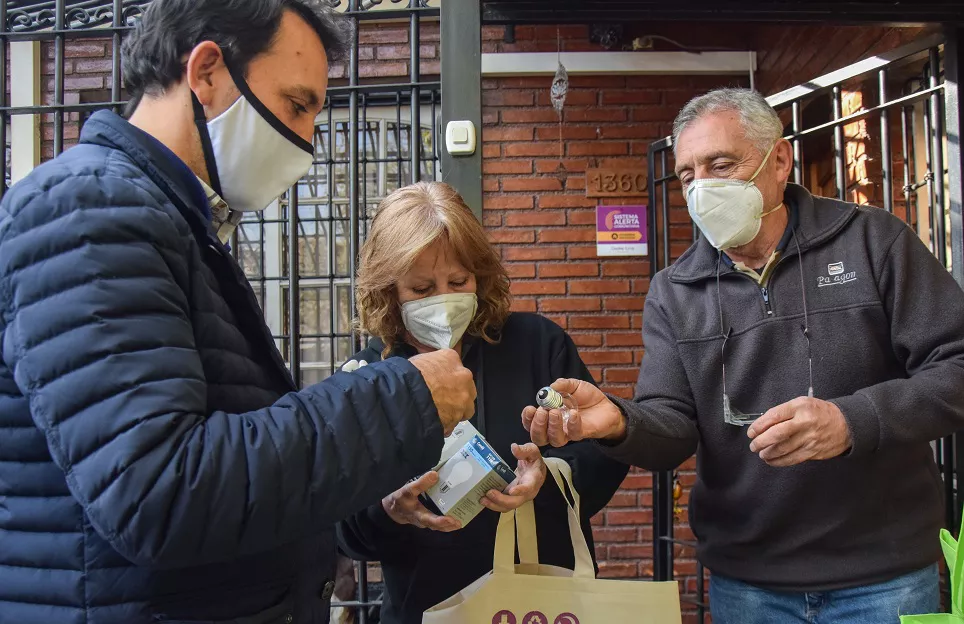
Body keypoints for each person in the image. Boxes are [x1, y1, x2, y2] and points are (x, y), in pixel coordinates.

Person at [0, 2, 477, 623]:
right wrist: (400, 400)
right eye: (296, 105)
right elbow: (159, 489)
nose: (307, 140)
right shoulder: (89, 211)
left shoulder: (170, 223)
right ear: (206, 71)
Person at [525, 88, 964, 623]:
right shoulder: (674, 290)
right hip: (749, 585)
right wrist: (619, 421)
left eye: (721, 165)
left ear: (779, 160)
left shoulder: (872, 241)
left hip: (882, 575)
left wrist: (852, 421)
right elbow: (673, 426)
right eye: (688, 175)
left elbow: (955, 366)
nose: (702, 188)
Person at [336, 182, 628, 624]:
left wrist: (549, 475)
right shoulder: (366, 375)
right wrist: (389, 510)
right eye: (421, 288)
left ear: (480, 275)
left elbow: (602, 456)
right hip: (426, 608)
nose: (443, 301)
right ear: (390, 291)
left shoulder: (537, 343)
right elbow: (344, 531)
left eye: (458, 282)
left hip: (542, 604)